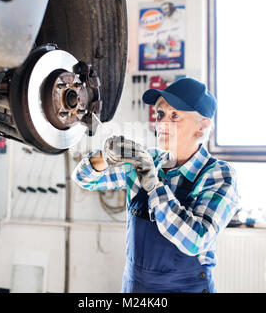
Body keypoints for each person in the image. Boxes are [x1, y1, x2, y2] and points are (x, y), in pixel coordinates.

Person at [72, 78, 240, 293]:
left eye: (174, 116)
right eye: (160, 114)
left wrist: (154, 185)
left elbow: (195, 241)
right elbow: (83, 178)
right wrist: (105, 156)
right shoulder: (147, 160)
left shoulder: (218, 175)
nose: (161, 123)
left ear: (202, 127)